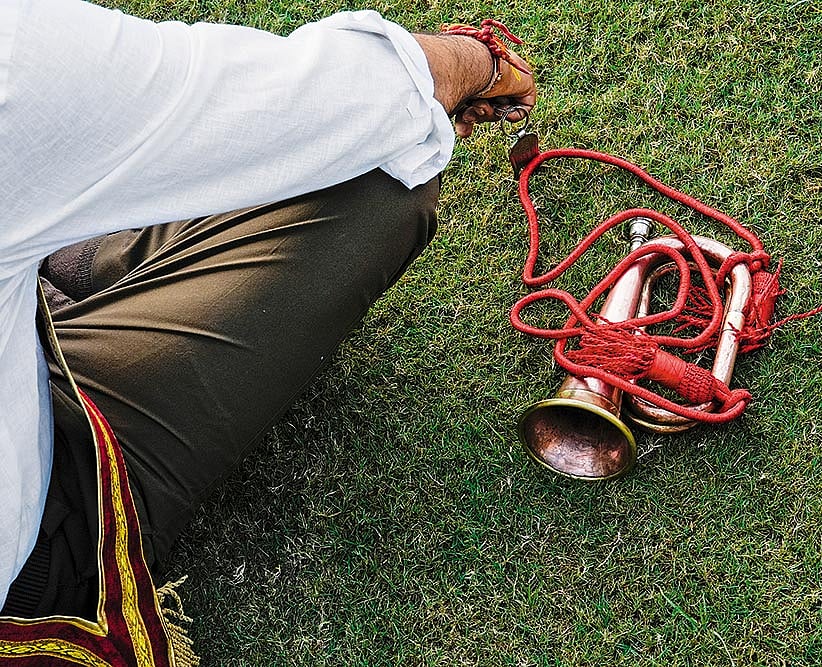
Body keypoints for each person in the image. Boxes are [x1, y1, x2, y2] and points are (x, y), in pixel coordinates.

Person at [0, 0, 536, 620]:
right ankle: (74, 254)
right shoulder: (15, 63)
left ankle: (62, 255)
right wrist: (480, 63)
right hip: (39, 556)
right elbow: (325, 101)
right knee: (376, 177)